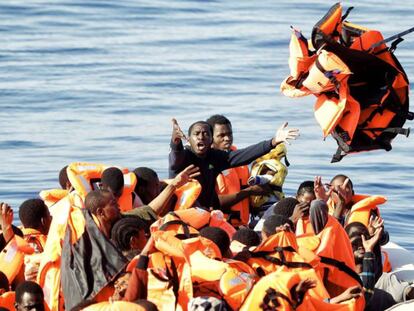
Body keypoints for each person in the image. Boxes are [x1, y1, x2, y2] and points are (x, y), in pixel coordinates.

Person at [169, 118, 299, 211]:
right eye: (196, 134)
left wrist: (273, 141)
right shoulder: (184, 156)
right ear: (189, 139)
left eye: (205, 134)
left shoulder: (215, 157)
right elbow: (176, 160)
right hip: (181, 212)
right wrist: (175, 142)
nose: (201, 137)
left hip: (207, 213)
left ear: (211, 140)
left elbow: (245, 155)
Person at [206, 114, 270, 226]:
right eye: (221, 135)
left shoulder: (238, 158)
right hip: (220, 225)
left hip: (243, 223)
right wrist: (250, 191)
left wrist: (264, 184)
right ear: (211, 138)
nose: (227, 138)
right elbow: (215, 203)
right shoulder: (207, 162)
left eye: (229, 134)